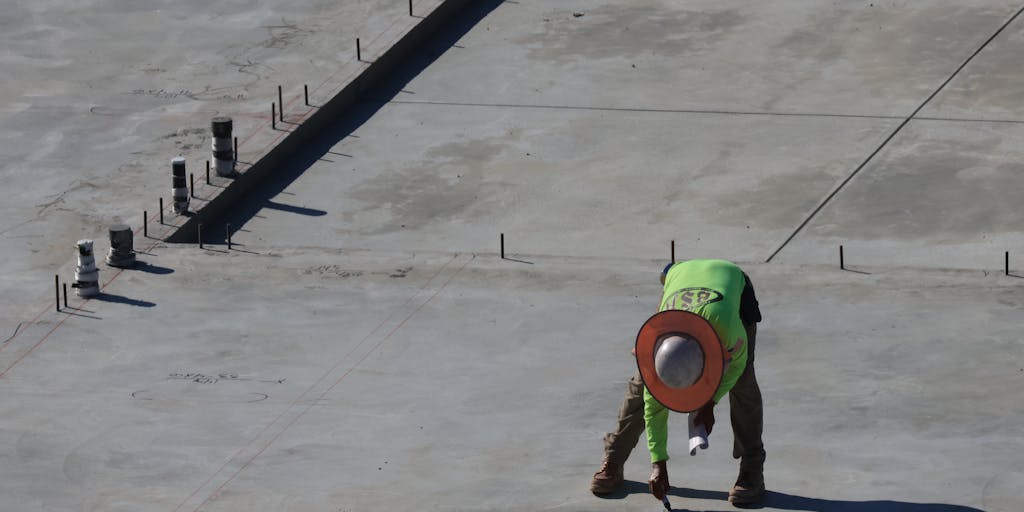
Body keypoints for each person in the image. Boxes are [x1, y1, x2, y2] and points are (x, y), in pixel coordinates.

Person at [590, 259, 765, 506]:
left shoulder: (727, 328)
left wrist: (710, 403)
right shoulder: (653, 345)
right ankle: (614, 460)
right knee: (641, 387)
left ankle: (752, 471)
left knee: (743, 386)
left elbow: (736, 364)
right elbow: (654, 408)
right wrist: (658, 464)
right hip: (680, 277)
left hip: (729, 286)